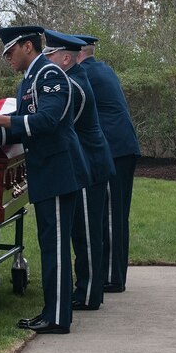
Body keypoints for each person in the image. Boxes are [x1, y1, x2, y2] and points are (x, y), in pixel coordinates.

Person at [0, 26, 89, 334]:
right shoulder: (29, 79)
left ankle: (57, 317)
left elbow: (48, 120)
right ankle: (52, 312)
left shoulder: (49, 75)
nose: (8, 58)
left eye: (10, 52)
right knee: (49, 245)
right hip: (47, 170)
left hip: (58, 171)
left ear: (27, 46)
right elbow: (21, 128)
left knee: (56, 247)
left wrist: (0, 119)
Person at [43, 31, 115, 311]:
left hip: (89, 166)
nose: (46, 60)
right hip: (85, 164)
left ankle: (87, 294)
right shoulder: (72, 80)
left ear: (65, 58)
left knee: (86, 234)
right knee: (84, 232)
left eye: (50, 55)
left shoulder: (73, 85)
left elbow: (57, 124)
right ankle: (87, 289)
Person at [77, 36, 140, 293]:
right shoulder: (101, 68)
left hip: (115, 150)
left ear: (78, 53)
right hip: (120, 148)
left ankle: (113, 277)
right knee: (112, 213)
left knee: (112, 215)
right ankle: (109, 272)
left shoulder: (85, 74)